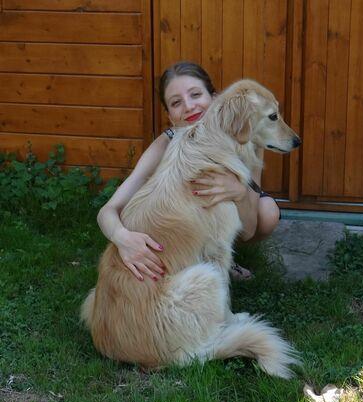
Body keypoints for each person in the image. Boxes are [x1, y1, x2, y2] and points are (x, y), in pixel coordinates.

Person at [97, 61, 281, 282]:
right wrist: (123, 238)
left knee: (268, 211)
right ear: (170, 115)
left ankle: (223, 257)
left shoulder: (244, 135)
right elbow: (108, 210)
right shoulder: (165, 144)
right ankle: (193, 257)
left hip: (222, 220)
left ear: (214, 97)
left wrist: (240, 191)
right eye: (176, 103)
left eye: (195, 95)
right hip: (181, 227)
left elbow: (249, 230)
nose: (189, 106)